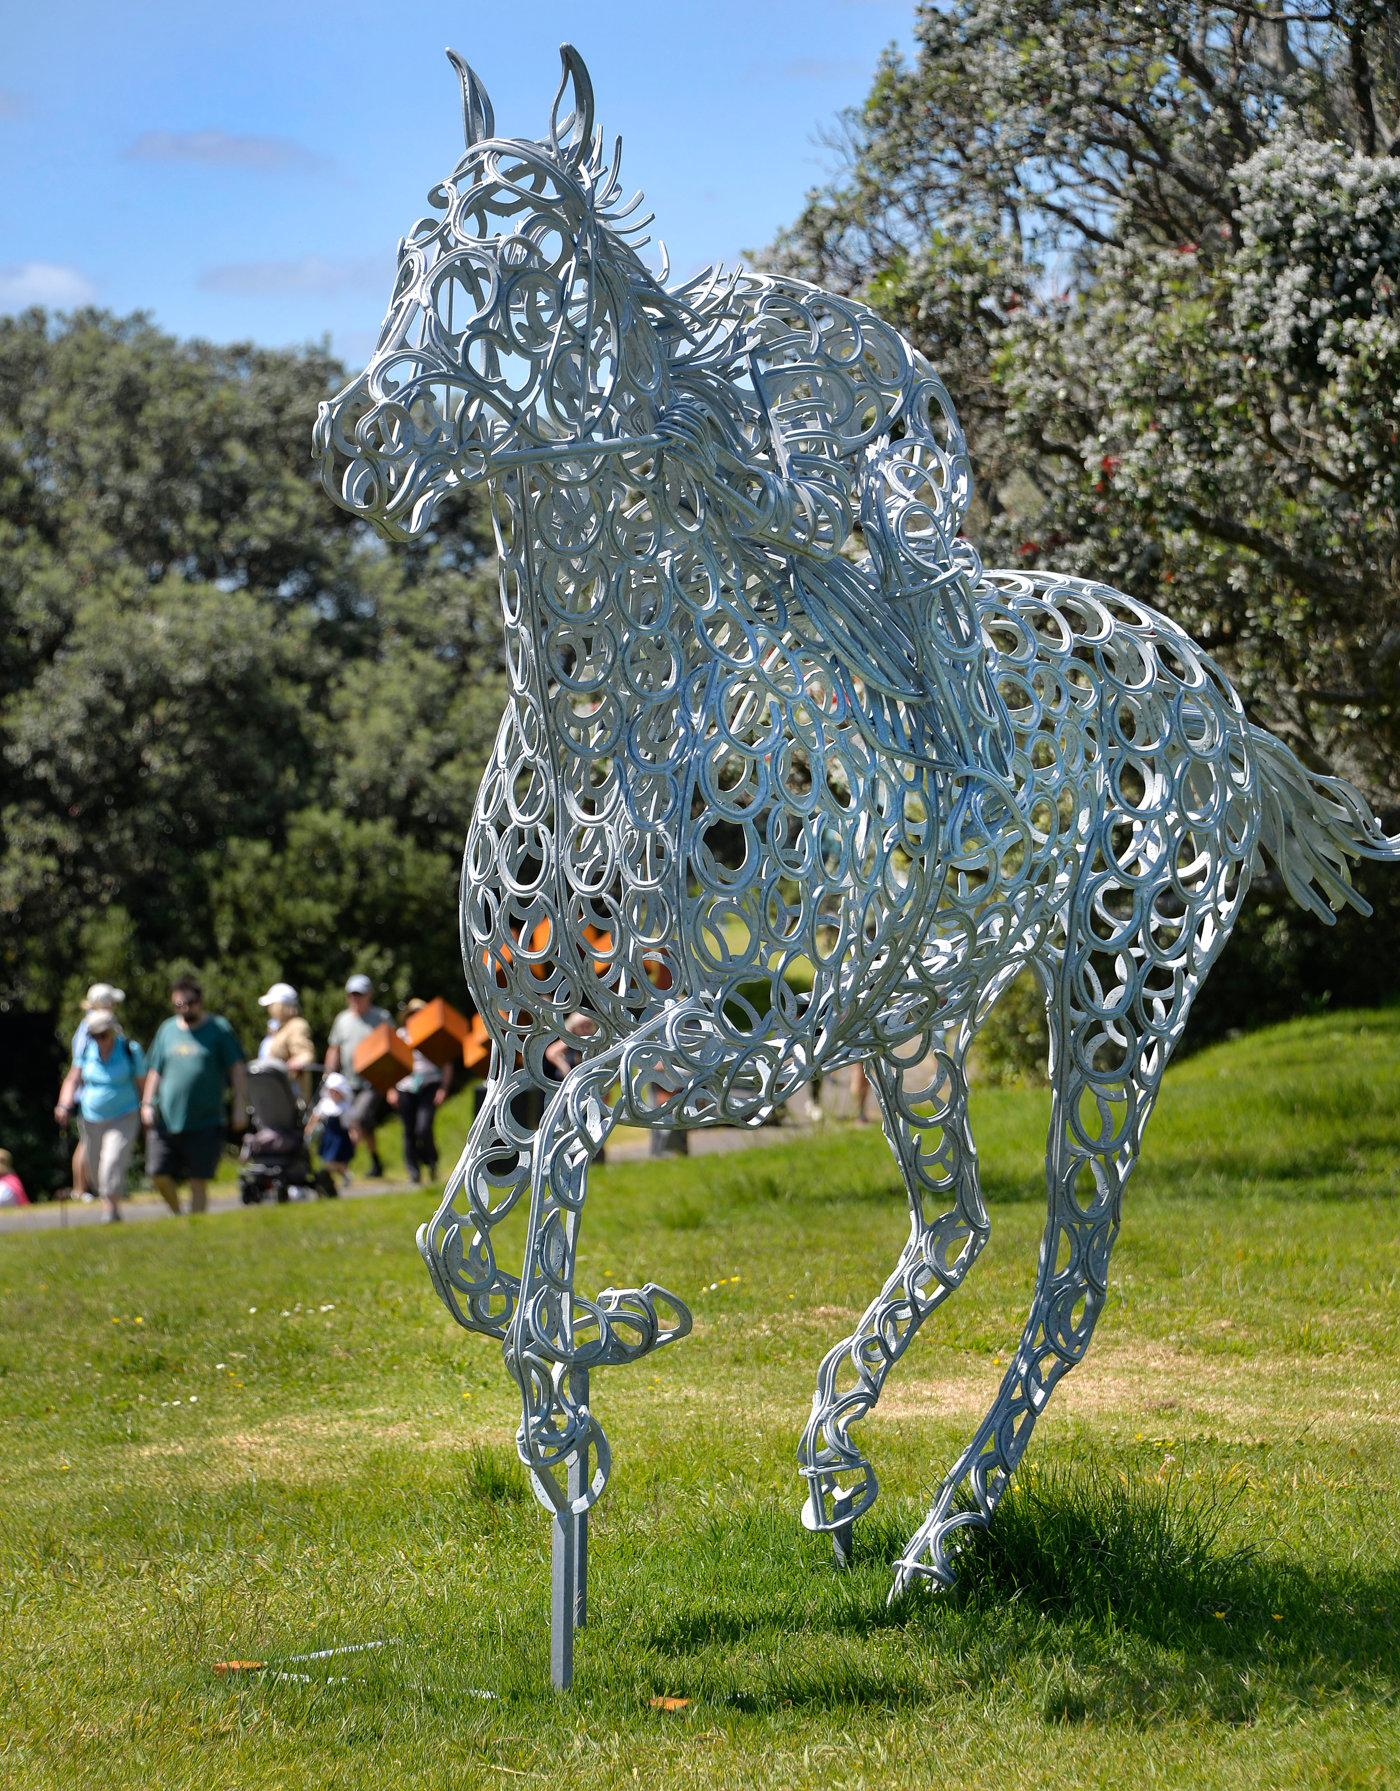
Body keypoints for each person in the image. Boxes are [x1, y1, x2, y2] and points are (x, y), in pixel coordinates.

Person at [141, 976, 246, 1215]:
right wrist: (147, 1103)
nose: (184, 1009)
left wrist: (240, 1104)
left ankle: (196, 1224)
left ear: (200, 1001)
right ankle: (178, 1215)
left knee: (198, 1179)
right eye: (178, 1005)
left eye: (189, 1003)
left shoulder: (219, 1029)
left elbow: (237, 1068)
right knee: (157, 1172)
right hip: (167, 1120)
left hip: (206, 1120)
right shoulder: (167, 1029)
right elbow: (155, 1070)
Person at [54, 1007, 147, 1223]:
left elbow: (143, 1084)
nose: (99, 1040)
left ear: (113, 1031)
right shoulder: (87, 1051)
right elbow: (73, 1079)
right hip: (90, 1118)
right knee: (95, 1167)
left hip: (124, 1115)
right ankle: (110, 1204)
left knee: (112, 1161)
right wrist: (64, 1104)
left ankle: (110, 1211)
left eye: (103, 1035)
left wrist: (148, 1108)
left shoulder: (130, 1050)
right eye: (94, 1036)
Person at [325, 973, 392, 1177]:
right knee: (365, 1125)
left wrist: (393, 1083)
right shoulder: (342, 1020)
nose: (355, 998)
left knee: (358, 1118)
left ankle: (339, 1163)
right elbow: (334, 1048)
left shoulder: (381, 1018)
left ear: (369, 995)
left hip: (373, 1082)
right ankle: (376, 1162)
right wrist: (329, 1076)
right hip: (348, 1082)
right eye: (352, 994)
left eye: (359, 994)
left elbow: (394, 1047)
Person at [66, 981, 127, 1200]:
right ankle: (81, 1190)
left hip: (94, 1093)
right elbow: (81, 1061)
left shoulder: (95, 1023)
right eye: (112, 1002)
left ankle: (89, 1189)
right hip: (90, 1092)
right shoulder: (91, 1026)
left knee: (89, 1143)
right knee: (86, 1143)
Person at [389, 999, 454, 1185]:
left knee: (423, 1127)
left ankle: (431, 1160)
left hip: (429, 1085)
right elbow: (391, 1062)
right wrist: (391, 1088)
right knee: (409, 1130)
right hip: (406, 1087)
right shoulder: (400, 1035)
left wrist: (443, 1087)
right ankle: (413, 1171)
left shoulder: (435, 1035)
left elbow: (447, 1063)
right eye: (413, 1014)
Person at [255, 982, 316, 1096]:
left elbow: (306, 1054)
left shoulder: (297, 1025)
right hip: (270, 1089)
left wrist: (298, 1061)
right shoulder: (276, 1028)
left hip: (287, 1092)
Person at [305, 1069, 355, 1190]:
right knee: (331, 1158)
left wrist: (354, 1133)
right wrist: (309, 1127)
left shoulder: (345, 1106)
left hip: (340, 1137)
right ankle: (333, 1175)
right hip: (328, 1136)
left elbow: (352, 1123)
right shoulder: (325, 1104)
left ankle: (330, 1174)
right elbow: (316, 1117)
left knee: (337, 1159)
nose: (334, 1094)